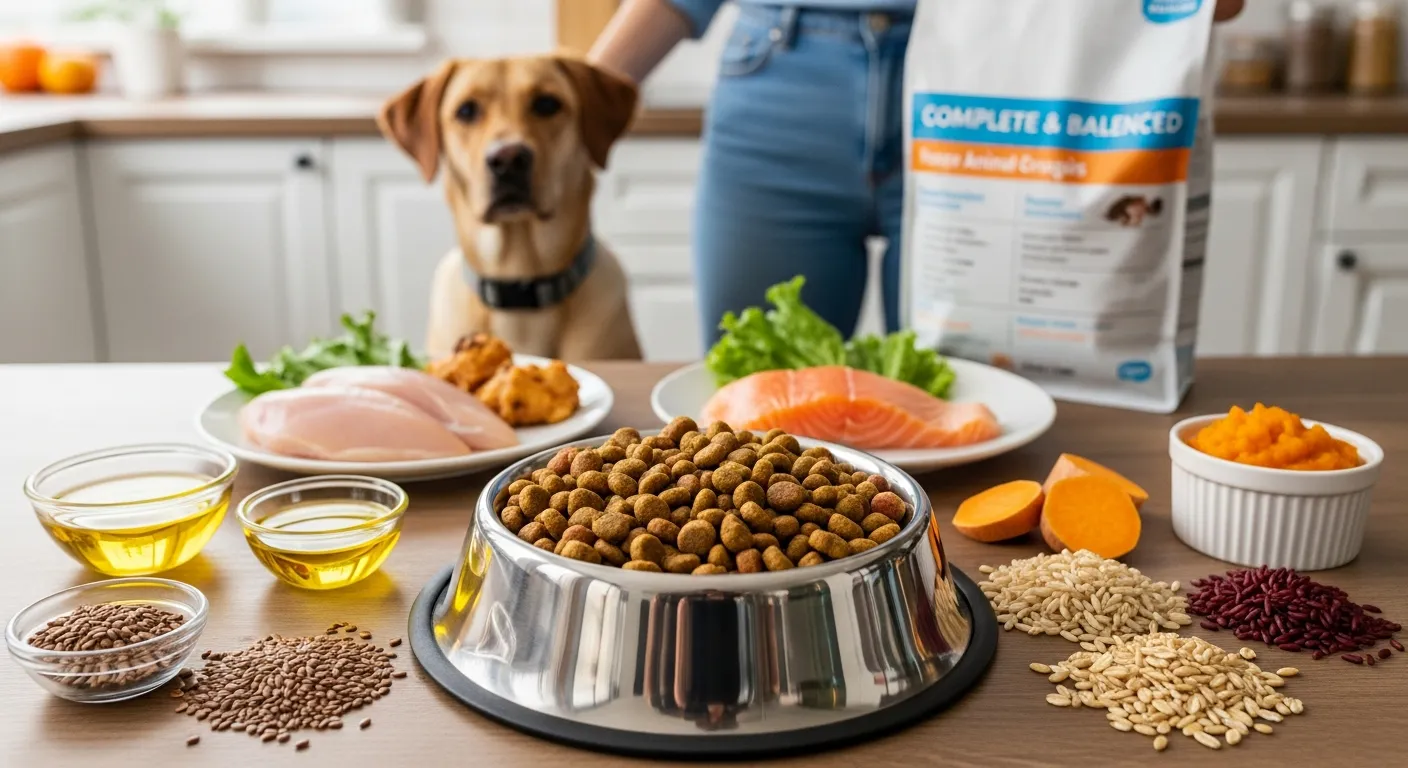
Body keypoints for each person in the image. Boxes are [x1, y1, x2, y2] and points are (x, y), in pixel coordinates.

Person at [588, 0, 1245, 348]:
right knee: (751, 405)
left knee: (972, 400)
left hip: (978, 95)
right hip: (779, 94)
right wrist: (574, 102)